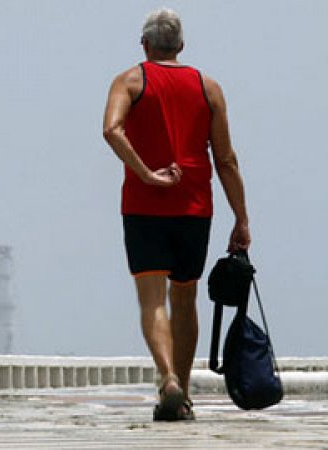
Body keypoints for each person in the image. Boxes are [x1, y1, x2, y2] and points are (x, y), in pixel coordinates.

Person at [102, 8, 250, 421]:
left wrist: (145, 173)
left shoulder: (130, 81)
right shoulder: (208, 87)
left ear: (145, 44)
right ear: (181, 46)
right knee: (185, 297)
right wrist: (241, 217)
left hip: (143, 204)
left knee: (152, 301)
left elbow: (111, 129)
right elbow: (226, 158)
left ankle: (166, 376)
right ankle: (181, 393)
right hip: (194, 206)